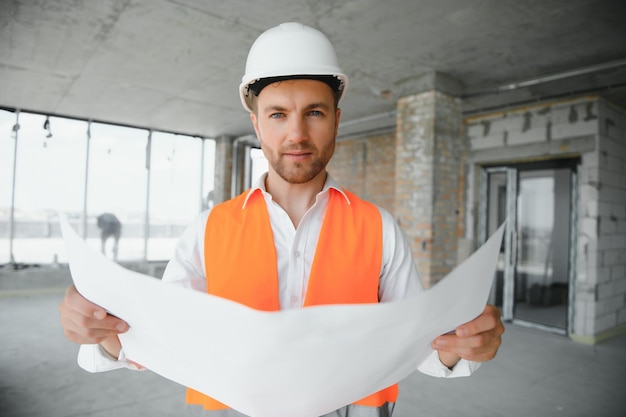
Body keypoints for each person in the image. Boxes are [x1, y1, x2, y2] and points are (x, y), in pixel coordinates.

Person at [59, 22, 504, 417]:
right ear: (256, 124)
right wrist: (101, 331)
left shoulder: (379, 228)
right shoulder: (209, 229)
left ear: (336, 120)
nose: (296, 134)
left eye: (314, 112)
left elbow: (421, 348)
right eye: (277, 115)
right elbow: (163, 342)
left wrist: (462, 346)